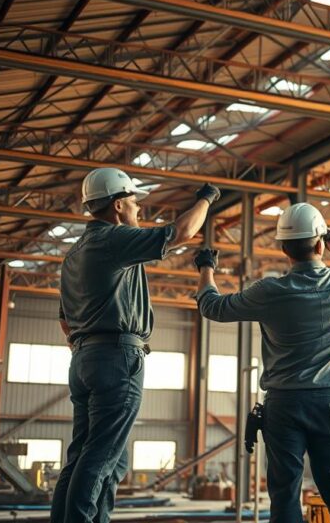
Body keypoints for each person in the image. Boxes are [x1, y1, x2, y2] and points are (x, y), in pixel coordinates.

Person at [54, 168, 219, 523]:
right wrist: (207, 198)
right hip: (115, 357)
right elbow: (183, 232)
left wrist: (90, 350)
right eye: (133, 202)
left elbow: (65, 319)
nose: (138, 210)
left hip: (83, 357)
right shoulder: (112, 239)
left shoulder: (73, 255)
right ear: (117, 206)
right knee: (101, 455)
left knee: (92, 455)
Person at [194, 202, 330, 523]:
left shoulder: (269, 291)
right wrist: (328, 233)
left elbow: (212, 307)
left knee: (285, 493)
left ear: (284, 248)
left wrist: (206, 268)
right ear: (319, 243)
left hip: (284, 405)